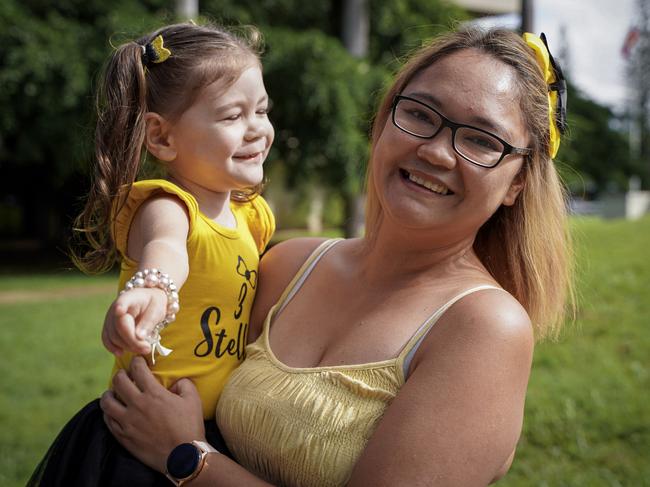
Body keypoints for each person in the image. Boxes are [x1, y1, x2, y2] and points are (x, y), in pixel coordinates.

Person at [101, 26, 574, 486]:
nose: (435, 152)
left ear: (517, 183)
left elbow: (183, 445)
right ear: (384, 119)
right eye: (421, 115)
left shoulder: (484, 328)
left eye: (480, 140)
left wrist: (186, 457)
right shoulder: (288, 266)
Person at [28, 21, 275, 486]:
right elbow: (167, 251)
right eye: (232, 116)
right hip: (138, 442)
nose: (257, 130)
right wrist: (155, 290)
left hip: (212, 434)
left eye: (261, 110)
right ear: (162, 138)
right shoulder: (166, 205)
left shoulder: (254, 217)